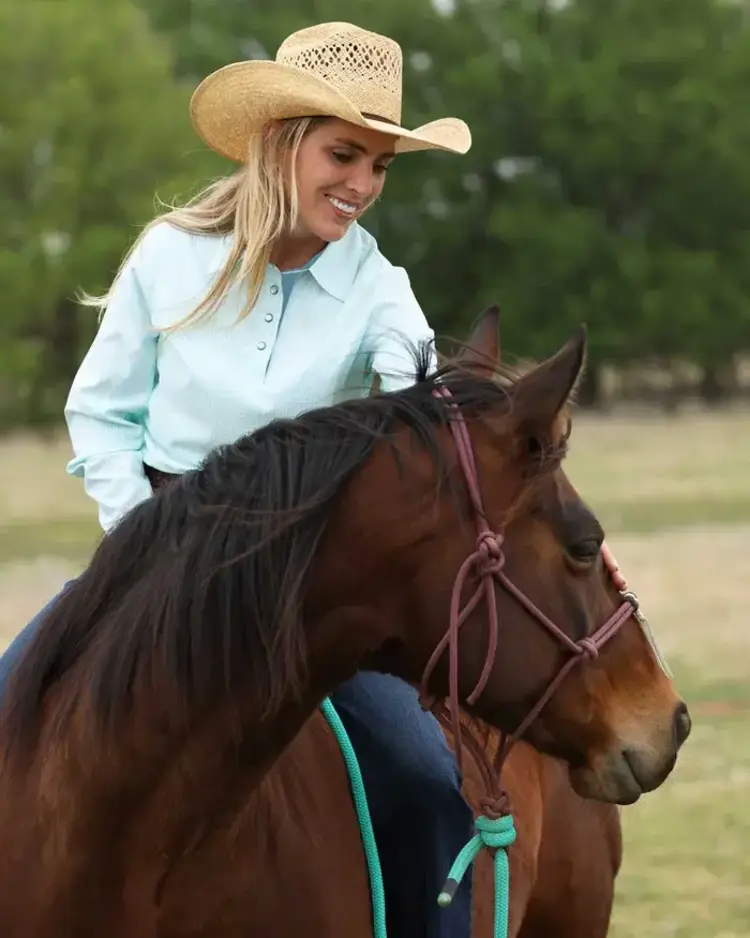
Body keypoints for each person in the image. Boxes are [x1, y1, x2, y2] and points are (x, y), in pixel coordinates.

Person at [0, 21, 474, 938]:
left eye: (380, 165)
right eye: (343, 155)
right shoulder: (169, 256)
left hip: (305, 596)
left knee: (428, 779)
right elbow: (102, 412)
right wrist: (141, 543)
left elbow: (425, 407)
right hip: (150, 564)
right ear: (280, 143)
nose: (362, 185)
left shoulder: (379, 287)